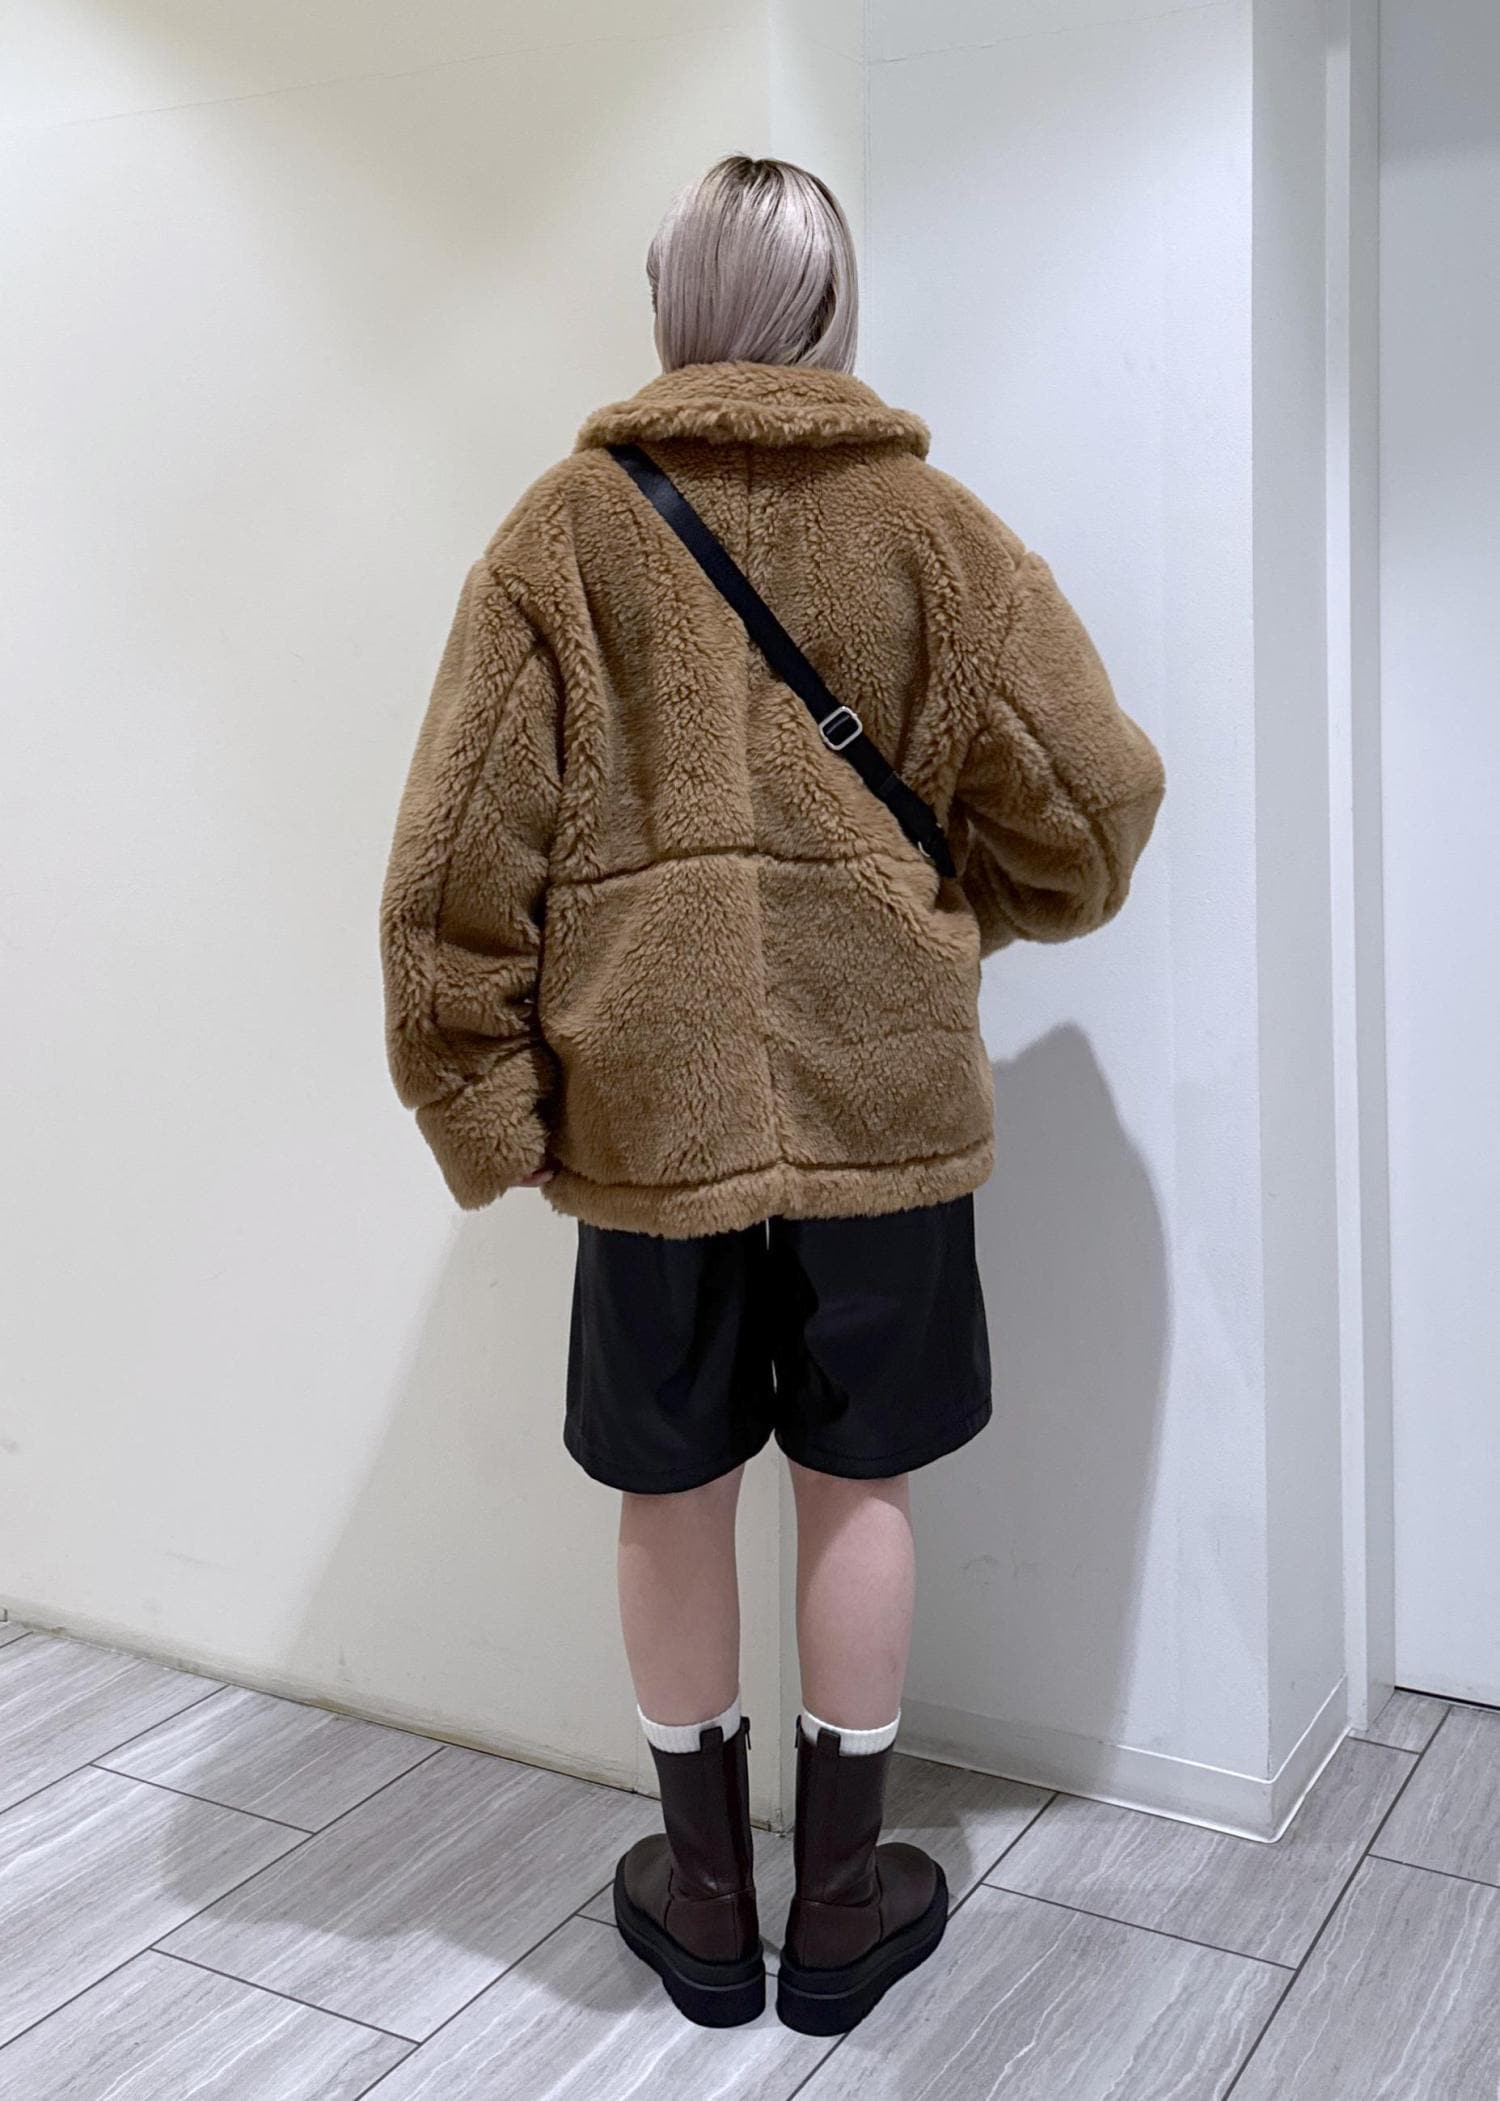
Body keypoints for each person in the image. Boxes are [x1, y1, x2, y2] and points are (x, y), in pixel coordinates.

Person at [378, 153, 1165, 2034]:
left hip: (653, 1122)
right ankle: (844, 1898)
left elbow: (450, 870)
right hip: (884, 1109)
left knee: (669, 1487)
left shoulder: (564, 537)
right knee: (855, 1477)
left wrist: (488, 1104)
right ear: (829, 306)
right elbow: (1093, 811)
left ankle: (709, 1898)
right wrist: (954, 907)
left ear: (674, 301)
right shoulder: (937, 535)